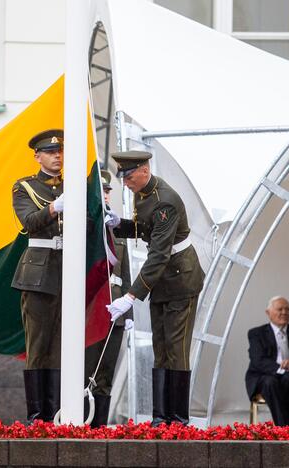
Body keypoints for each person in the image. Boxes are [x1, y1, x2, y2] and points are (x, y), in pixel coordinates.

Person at [105, 151, 205, 426]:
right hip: (163, 278)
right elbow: (145, 229)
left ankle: (178, 418)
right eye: (122, 176)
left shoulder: (165, 202)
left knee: (176, 348)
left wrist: (130, 295)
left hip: (180, 279)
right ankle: (161, 417)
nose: (124, 182)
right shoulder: (144, 193)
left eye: (128, 176)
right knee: (161, 346)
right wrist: (120, 225)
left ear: (144, 170)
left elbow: (159, 254)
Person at [11, 129, 64, 423]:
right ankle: (37, 416)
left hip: (66, 271)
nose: (57, 156)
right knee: (39, 346)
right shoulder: (24, 187)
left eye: (60, 152)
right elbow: (30, 222)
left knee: (60, 346)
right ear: (38, 156)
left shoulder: (73, 186)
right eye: (51, 152)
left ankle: (57, 413)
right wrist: (54, 207)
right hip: (39, 273)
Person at [84, 170, 131, 427]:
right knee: (86, 372)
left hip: (116, 311)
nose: (106, 194)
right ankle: (82, 426)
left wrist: (129, 314)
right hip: (92, 309)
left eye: (107, 190)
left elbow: (125, 275)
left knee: (106, 374)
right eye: (101, 190)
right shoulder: (86, 225)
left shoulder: (116, 226)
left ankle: (99, 428)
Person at [245, 296, 289, 429]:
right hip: (264, 375)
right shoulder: (256, 333)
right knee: (271, 382)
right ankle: (286, 431)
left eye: (287, 309)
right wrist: (282, 368)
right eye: (279, 309)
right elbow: (258, 360)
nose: (284, 312)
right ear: (268, 312)